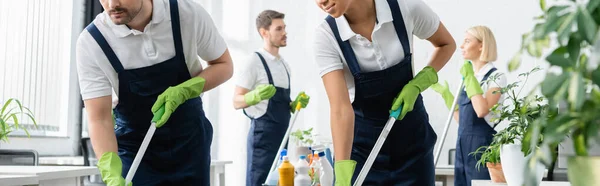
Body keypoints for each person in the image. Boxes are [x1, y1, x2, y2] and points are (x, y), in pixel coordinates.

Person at [75, 0, 233, 185]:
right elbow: (99, 118)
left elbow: (224, 65)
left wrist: (187, 89)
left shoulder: (186, 14)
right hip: (135, 150)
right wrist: (110, 172)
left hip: (190, 143)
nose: (111, 4)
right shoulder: (92, 41)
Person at [312, 0, 456, 185]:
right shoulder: (327, 36)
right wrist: (342, 175)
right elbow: (340, 109)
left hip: (414, 148)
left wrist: (419, 83)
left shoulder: (405, 7)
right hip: (363, 154)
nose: (321, 1)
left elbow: (446, 44)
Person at [232, 10, 310, 186]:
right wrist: (254, 96)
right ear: (264, 32)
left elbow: (283, 104)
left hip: (282, 136)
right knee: (259, 182)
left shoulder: (284, 65)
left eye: (284, 28)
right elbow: (236, 101)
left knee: (279, 182)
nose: (285, 33)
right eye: (279, 29)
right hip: (262, 138)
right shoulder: (253, 61)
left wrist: (294, 104)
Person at [431, 25, 506, 186]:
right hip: (462, 143)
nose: (461, 46)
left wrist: (471, 78)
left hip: (482, 147)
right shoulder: (468, 76)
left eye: (467, 41)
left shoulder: (496, 77)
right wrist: (447, 96)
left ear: (481, 45)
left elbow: (481, 110)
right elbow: (462, 120)